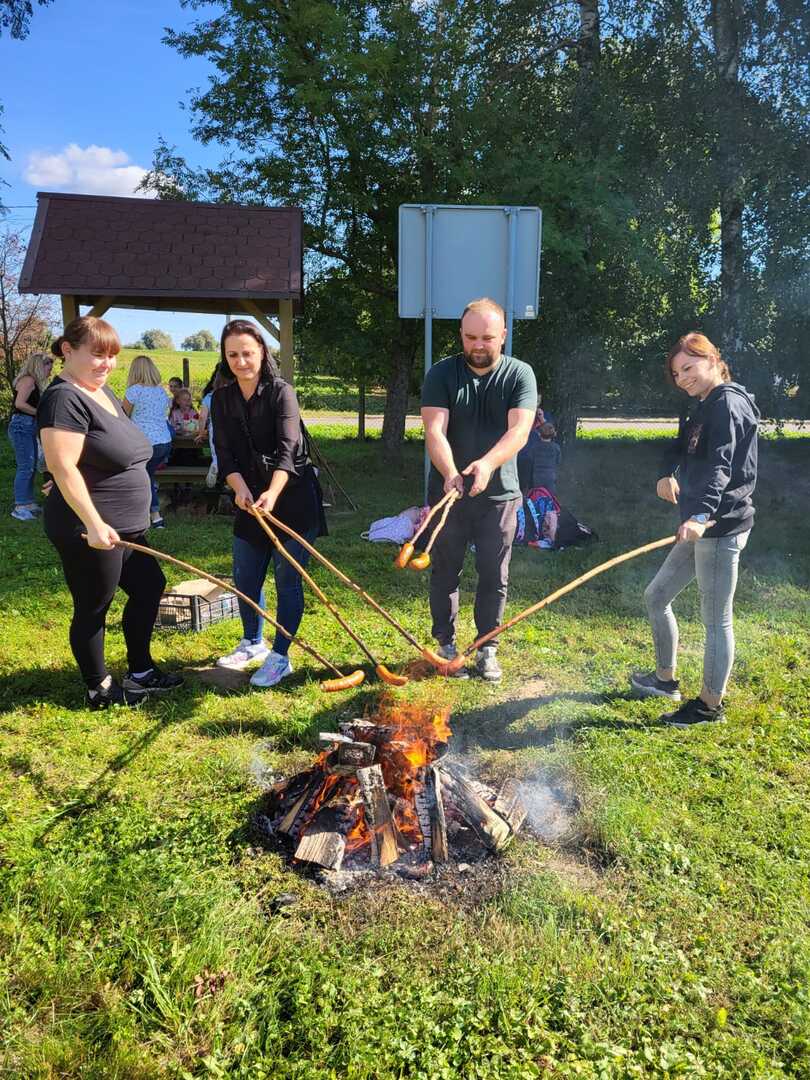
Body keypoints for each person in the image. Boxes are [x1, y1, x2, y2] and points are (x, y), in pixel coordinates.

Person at [38, 316, 183, 709]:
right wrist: (93, 521)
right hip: (91, 528)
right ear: (68, 351)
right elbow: (63, 466)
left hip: (125, 527)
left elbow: (92, 454)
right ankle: (98, 688)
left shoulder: (100, 393)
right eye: (97, 354)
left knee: (149, 586)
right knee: (94, 605)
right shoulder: (63, 398)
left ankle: (140, 670)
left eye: (112, 356)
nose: (106, 364)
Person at [630, 332, 759, 727]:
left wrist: (701, 516)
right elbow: (681, 446)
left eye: (689, 367)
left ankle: (708, 706)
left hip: (719, 528)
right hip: (697, 525)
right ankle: (665, 680)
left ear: (713, 361)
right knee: (657, 597)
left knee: (716, 619)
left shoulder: (729, 405)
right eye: (676, 372)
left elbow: (721, 468)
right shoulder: (705, 405)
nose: (682, 377)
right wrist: (666, 473)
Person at [421, 297, 537, 681]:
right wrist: (451, 472)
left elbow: (519, 430)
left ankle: (487, 648)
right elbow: (434, 430)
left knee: (494, 574)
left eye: (487, 337)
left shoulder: (520, 374)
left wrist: (487, 464)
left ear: (503, 335)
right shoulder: (441, 374)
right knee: (444, 571)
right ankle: (446, 645)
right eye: (471, 337)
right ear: (461, 335)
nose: (478, 345)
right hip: (449, 493)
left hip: (500, 495)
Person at [211, 319, 326, 688]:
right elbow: (225, 455)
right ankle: (252, 641)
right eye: (233, 354)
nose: (241, 361)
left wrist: (272, 493)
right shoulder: (222, 400)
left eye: (247, 352)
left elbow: (289, 450)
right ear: (225, 357)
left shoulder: (281, 393)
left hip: (291, 498)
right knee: (246, 576)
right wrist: (239, 490)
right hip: (249, 500)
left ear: (262, 351)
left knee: (287, 580)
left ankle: (280, 656)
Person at [122, 354, 172, 529]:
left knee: (144, 478)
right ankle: (147, 511)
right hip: (164, 441)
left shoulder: (134, 390)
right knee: (145, 476)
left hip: (144, 442)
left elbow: (122, 416)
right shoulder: (160, 391)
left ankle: (155, 516)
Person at [8, 351, 53, 520]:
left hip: (28, 426)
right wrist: (39, 412)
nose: (51, 370)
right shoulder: (28, 380)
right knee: (25, 466)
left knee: (31, 464)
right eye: (49, 366)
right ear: (39, 366)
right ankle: (20, 506)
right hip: (21, 425)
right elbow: (20, 404)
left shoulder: (34, 382)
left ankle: (28, 502)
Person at [196, 367, 228, 487]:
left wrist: (200, 432)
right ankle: (228, 479)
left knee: (216, 452)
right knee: (230, 454)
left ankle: (215, 464)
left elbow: (202, 417)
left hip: (215, 430)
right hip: (232, 430)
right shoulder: (233, 396)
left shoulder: (209, 397)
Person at [526, 421, 561, 494]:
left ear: (539, 434)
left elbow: (530, 461)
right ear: (553, 434)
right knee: (550, 496)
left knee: (537, 495)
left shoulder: (534, 447)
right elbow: (558, 461)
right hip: (550, 476)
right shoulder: (556, 447)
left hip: (537, 477)